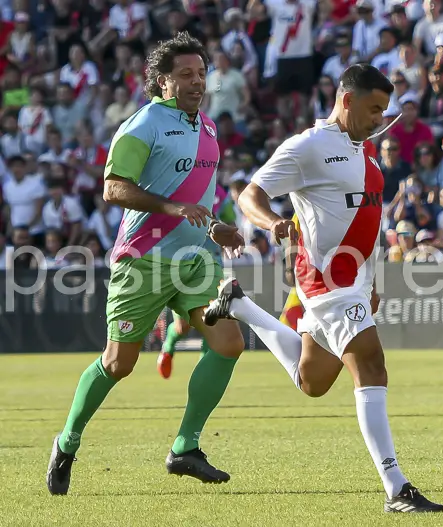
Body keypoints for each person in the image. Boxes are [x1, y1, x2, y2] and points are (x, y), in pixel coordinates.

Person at [202, 64, 443, 513]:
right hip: (325, 280)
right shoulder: (308, 147)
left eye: (385, 111)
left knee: (313, 382)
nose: (380, 119)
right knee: (371, 364)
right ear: (346, 100)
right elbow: (250, 196)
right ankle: (397, 488)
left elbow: (370, 224)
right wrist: (274, 222)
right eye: (374, 109)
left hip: (355, 282)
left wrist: (372, 282)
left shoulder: (367, 154)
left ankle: (241, 306)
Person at [46, 33, 247, 496]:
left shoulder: (209, 128)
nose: (197, 82)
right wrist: (174, 209)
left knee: (229, 342)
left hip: (197, 258)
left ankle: (185, 446)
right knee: (119, 364)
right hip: (144, 259)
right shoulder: (143, 124)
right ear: (163, 82)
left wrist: (216, 226)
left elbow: (197, 199)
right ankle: (67, 441)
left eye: (201, 73)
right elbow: (113, 188)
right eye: (186, 75)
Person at [157, 182, 238, 379]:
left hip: (212, 262)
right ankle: (168, 347)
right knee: (182, 326)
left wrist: (226, 230)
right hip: (182, 261)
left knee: (213, 320)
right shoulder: (180, 185)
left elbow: (231, 220)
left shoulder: (221, 195)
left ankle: (204, 371)